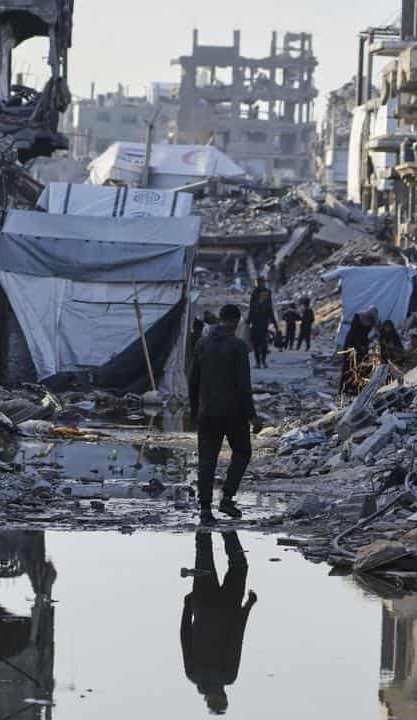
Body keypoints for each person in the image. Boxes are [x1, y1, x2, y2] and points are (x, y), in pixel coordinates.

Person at [188, 304, 260, 524]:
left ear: (220, 319)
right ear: (237, 322)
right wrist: (252, 416)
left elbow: (193, 382)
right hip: (234, 414)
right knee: (242, 452)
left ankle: (205, 510)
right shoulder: (238, 346)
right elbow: (243, 386)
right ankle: (227, 497)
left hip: (207, 412)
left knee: (207, 460)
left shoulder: (202, 343)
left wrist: (194, 412)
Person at [181, 531, 257, 715]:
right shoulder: (193, 675)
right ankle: (204, 520)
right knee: (203, 559)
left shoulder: (228, 676)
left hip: (228, 607)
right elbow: (185, 636)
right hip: (202, 605)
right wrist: (187, 606)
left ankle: (228, 531)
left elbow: (236, 639)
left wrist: (248, 606)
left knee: (239, 566)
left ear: (223, 698)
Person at [340, 307, 378, 395]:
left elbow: (367, 334)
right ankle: (345, 389)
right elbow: (354, 336)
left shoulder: (370, 320)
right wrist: (359, 346)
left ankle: (357, 388)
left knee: (362, 367)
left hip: (362, 347)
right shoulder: (358, 319)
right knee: (348, 367)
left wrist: (366, 344)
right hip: (351, 346)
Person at [246, 276, 278, 369]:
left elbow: (252, 308)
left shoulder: (256, 292)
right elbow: (269, 308)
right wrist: (274, 322)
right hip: (263, 321)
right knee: (262, 342)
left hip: (257, 322)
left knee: (257, 343)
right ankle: (262, 362)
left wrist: (248, 321)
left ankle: (259, 362)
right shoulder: (266, 292)